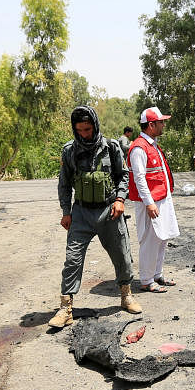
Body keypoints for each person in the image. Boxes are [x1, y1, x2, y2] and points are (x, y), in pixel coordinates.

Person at [48, 105, 142, 328]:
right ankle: (66, 308)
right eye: (79, 130)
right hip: (80, 213)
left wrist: (120, 200)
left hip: (108, 210)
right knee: (72, 259)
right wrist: (66, 212)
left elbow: (123, 176)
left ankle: (126, 295)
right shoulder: (69, 150)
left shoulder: (111, 147)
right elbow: (64, 183)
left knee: (122, 256)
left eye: (87, 129)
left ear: (95, 125)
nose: (84, 134)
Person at [127, 107, 180, 293]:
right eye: (161, 122)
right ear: (151, 125)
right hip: (150, 202)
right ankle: (147, 279)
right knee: (150, 239)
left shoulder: (152, 144)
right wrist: (149, 203)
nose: (163, 125)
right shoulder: (139, 148)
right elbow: (139, 178)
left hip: (161, 198)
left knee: (161, 238)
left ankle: (157, 274)